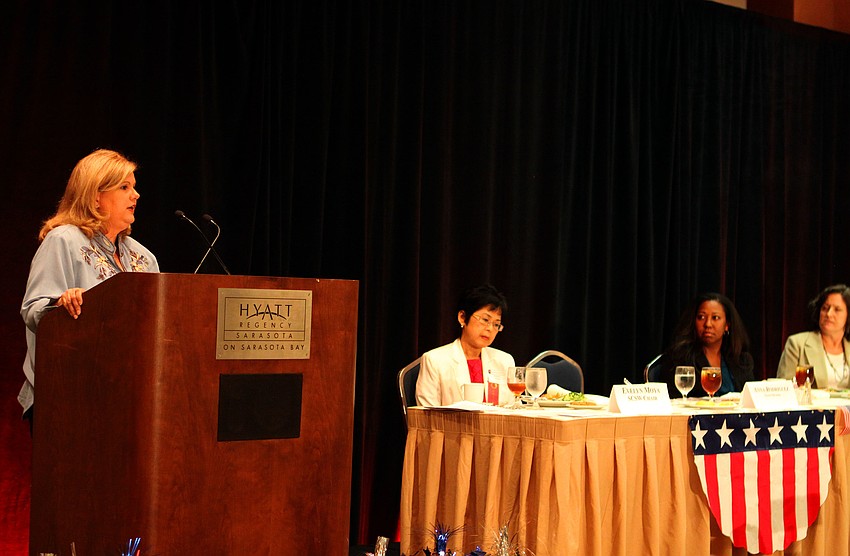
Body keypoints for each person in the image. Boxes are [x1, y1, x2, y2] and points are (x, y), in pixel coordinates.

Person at [18, 149, 160, 427]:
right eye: (125, 187)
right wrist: (61, 303)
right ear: (96, 195)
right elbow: (33, 310)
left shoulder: (144, 257)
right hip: (67, 400)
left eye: (134, 187)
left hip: (128, 401)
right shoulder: (63, 240)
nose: (136, 195)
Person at [415, 284, 515, 406]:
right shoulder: (435, 360)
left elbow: (510, 411)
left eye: (496, 324)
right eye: (485, 320)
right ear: (462, 317)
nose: (490, 328)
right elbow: (426, 416)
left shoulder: (504, 361)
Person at [658, 292, 755, 398]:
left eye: (715, 318)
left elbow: (749, 399)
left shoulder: (741, 360)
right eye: (701, 317)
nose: (708, 324)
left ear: (727, 325)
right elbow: (672, 400)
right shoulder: (679, 358)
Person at [776, 284, 850, 389]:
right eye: (825, 308)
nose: (828, 314)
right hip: (812, 405)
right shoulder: (797, 344)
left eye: (837, 309)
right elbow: (783, 388)